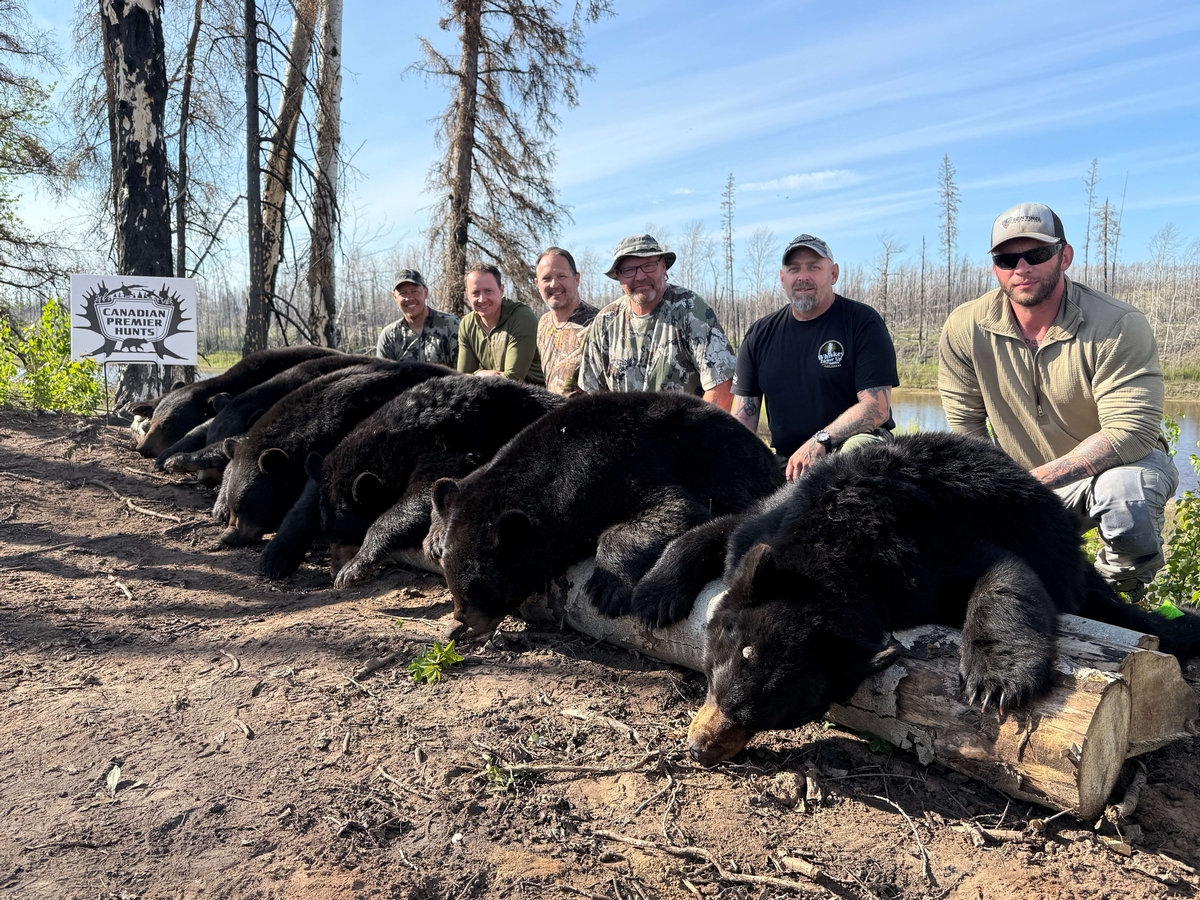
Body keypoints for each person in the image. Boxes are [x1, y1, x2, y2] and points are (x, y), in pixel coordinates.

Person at [939, 201, 1178, 597]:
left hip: (1116, 469)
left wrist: (1025, 486)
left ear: (1063, 256)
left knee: (1125, 496)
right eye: (1006, 258)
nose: (1021, 268)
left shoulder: (1117, 324)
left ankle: (1122, 598)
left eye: (1037, 254)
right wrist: (994, 495)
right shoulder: (965, 326)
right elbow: (966, 430)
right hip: (1025, 481)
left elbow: (1130, 432)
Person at [732, 234, 899, 481]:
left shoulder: (861, 322)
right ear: (782, 278)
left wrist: (820, 441)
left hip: (851, 449)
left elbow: (877, 407)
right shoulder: (760, 334)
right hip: (788, 461)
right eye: (794, 269)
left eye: (814, 267)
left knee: (856, 457)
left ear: (833, 274)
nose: (803, 277)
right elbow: (744, 416)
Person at [577, 234, 735, 408]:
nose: (640, 276)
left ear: (663, 267)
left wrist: (699, 433)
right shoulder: (605, 322)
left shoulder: (690, 310)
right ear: (618, 277)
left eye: (648, 265)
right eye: (629, 270)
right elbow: (591, 397)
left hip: (685, 431)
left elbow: (720, 387)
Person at [456, 264, 545, 385]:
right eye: (475, 293)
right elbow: (460, 379)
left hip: (534, 397)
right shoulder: (467, 324)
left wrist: (475, 377)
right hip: (493, 395)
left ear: (501, 290)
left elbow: (513, 379)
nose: (482, 299)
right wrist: (479, 375)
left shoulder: (521, 317)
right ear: (467, 295)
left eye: (488, 291)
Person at [535, 247, 598, 395]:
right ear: (537, 284)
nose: (553, 284)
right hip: (554, 415)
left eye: (561, 276)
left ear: (577, 279)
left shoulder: (598, 324)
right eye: (546, 278)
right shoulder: (544, 323)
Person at [375, 269, 459, 365]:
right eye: (402, 293)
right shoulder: (389, 336)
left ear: (425, 292)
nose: (409, 298)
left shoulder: (451, 326)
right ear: (394, 296)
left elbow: (462, 373)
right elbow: (383, 376)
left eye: (414, 291)